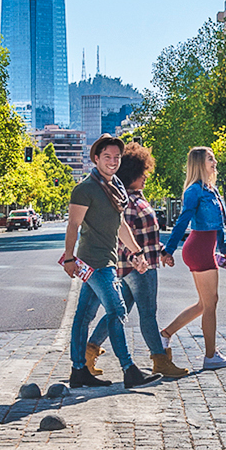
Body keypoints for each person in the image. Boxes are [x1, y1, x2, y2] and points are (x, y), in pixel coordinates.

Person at [61, 135, 160, 389]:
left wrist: (137, 254)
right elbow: (73, 224)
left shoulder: (115, 185)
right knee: (117, 311)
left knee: (83, 315)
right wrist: (69, 258)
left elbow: (121, 226)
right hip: (93, 263)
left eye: (117, 157)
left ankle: (78, 371)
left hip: (109, 259)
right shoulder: (85, 189)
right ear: (96, 158)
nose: (113, 161)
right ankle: (129, 370)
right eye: (107, 157)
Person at [84, 143, 189, 380]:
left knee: (120, 312)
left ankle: (89, 352)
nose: (145, 176)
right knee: (148, 313)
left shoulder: (135, 198)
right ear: (131, 173)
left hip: (141, 264)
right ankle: (159, 360)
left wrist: (162, 251)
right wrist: (138, 258)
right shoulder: (128, 203)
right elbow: (122, 238)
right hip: (140, 268)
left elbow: (146, 236)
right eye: (142, 172)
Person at [159, 146, 226, 370]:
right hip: (199, 248)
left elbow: (219, 225)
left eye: (213, 158)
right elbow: (182, 221)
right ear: (199, 164)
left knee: (205, 303)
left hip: (207, 248)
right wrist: (169, 250)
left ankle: (165, 334)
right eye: (210, 159)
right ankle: (211, 356)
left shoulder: (211, 190)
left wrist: (225, 249)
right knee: (211, 303)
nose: (214, 162)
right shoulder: (194, 191)